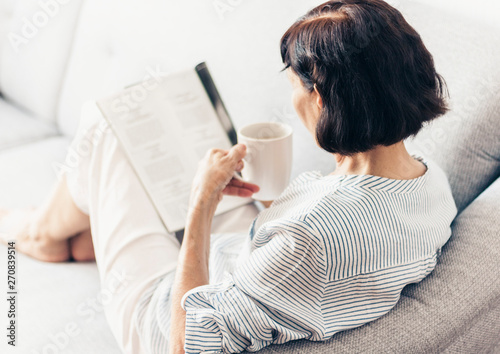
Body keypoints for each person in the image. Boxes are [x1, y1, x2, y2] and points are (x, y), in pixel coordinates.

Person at [0, 0, 457, 353]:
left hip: (165, 315)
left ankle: (37, 233)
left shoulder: (312, 235)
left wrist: (201, 204)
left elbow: (186, 343)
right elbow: (300, 256)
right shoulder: (431, 185)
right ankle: (84, 231)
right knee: (153, 135)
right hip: (242, 259)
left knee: (107, 124)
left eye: (295, 82)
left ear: (320, 100)